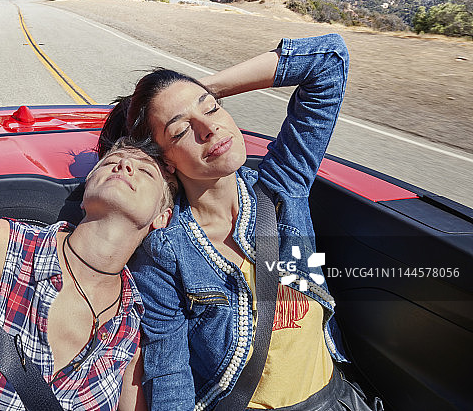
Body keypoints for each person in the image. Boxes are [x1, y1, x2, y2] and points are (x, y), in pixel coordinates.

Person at [100, 34, 374, 410]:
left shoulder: (282, 189)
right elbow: (168, 375)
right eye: (181, 130)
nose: (209, 129)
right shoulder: (164, 251)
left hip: (338, 398)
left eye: (211, 108)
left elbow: (327, 61)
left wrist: (201, 87)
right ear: (166, 163)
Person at [0, 137, 176, 411]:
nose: (123, 164)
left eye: (145, 170)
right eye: (110, 161)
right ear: (86, 191)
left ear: (163, 217)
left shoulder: (132, 323)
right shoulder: (1, 246)